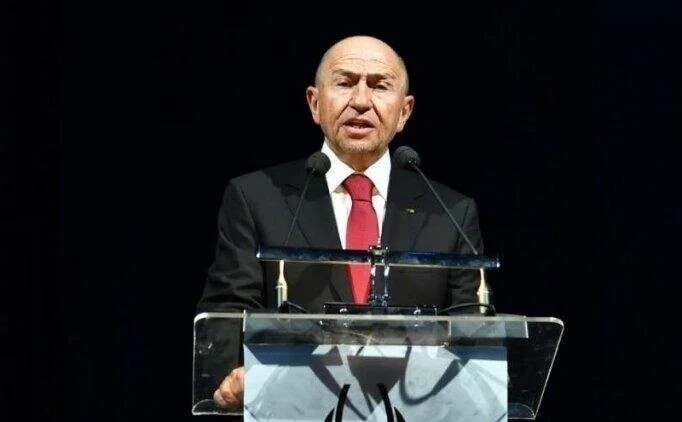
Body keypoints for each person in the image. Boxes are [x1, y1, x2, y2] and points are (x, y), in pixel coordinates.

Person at [197, 34, 485, 411]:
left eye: (379, 86)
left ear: (404, 111)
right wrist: (231, 379)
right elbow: (228, 310)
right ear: (315, 103)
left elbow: (471, 330)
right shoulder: (256, 197)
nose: (361, 101)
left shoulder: (451, 212)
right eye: (345, 83)